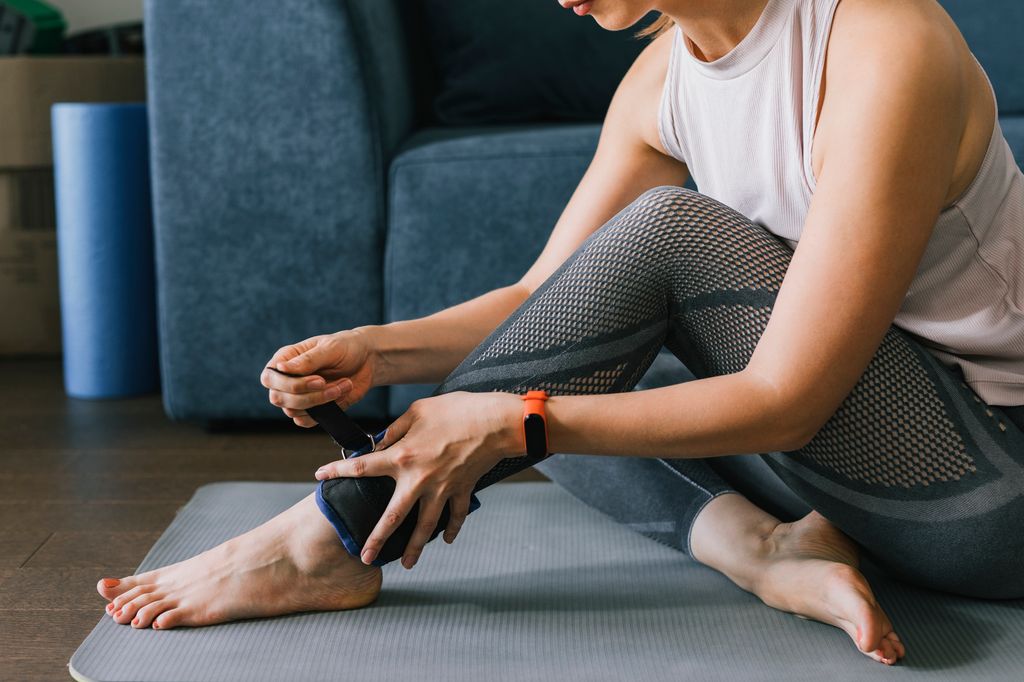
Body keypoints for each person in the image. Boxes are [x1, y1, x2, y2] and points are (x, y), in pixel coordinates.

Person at [96, 0, 1024, 667]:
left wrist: (512, 422)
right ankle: (763, 547)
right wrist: (385, 349)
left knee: (612, 306)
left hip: (993, 499)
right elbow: (550, 298)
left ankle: (327, 541)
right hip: (862, 476)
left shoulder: (882, 42)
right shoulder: (664, 77)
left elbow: (791, 398)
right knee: (574, 385)